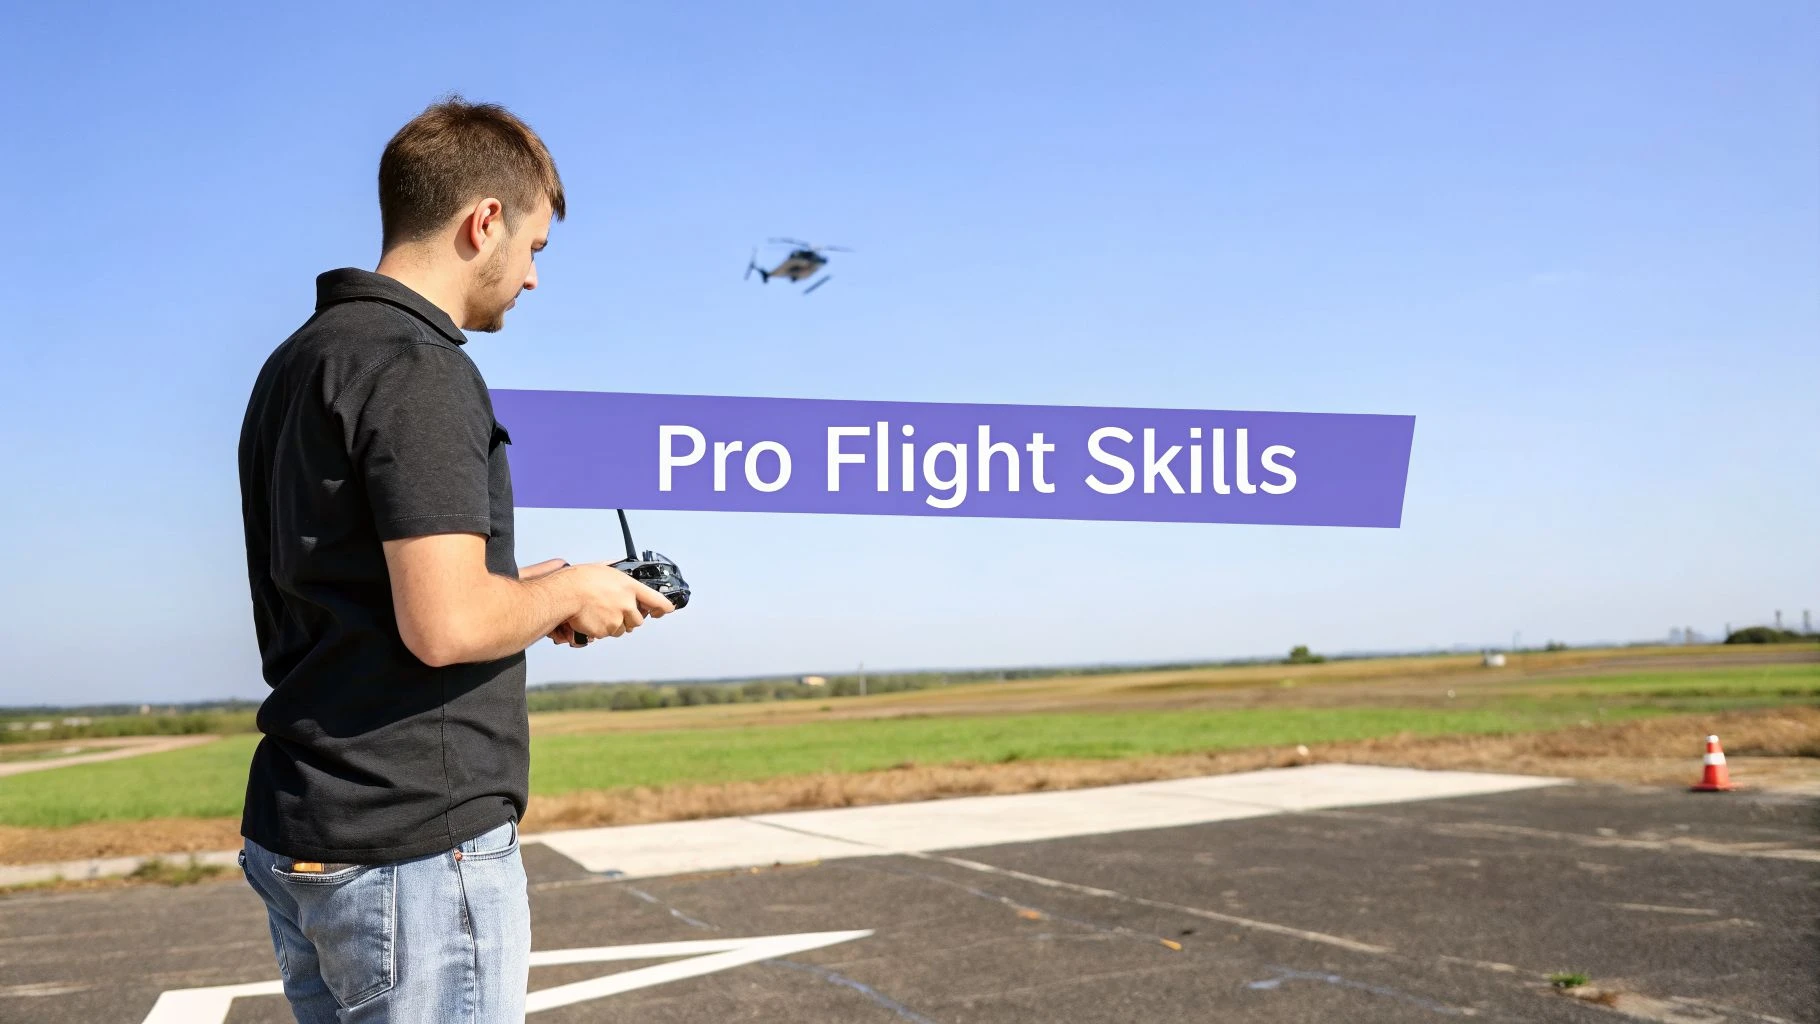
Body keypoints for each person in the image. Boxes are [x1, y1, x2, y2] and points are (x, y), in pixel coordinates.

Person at [234, 96, 674, 1024]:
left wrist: (535, 596)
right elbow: (445, 625)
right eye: (536, 248)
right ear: (484, 222)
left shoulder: (303, 360)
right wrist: (570, 588)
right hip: (414, 849)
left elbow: (368, 599)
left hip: (311, 825)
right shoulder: (420, 365)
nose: (533, 279)